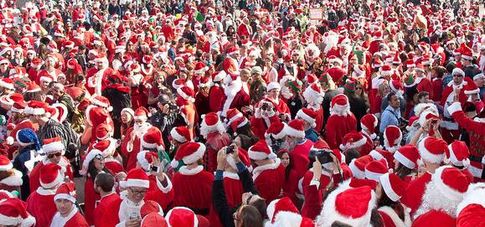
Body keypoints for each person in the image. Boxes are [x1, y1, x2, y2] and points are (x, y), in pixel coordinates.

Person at [171, 142, 214, 216]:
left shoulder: (176, 177)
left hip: (183, 218)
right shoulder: (208, 178)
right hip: (203, 219)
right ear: (199, 157)